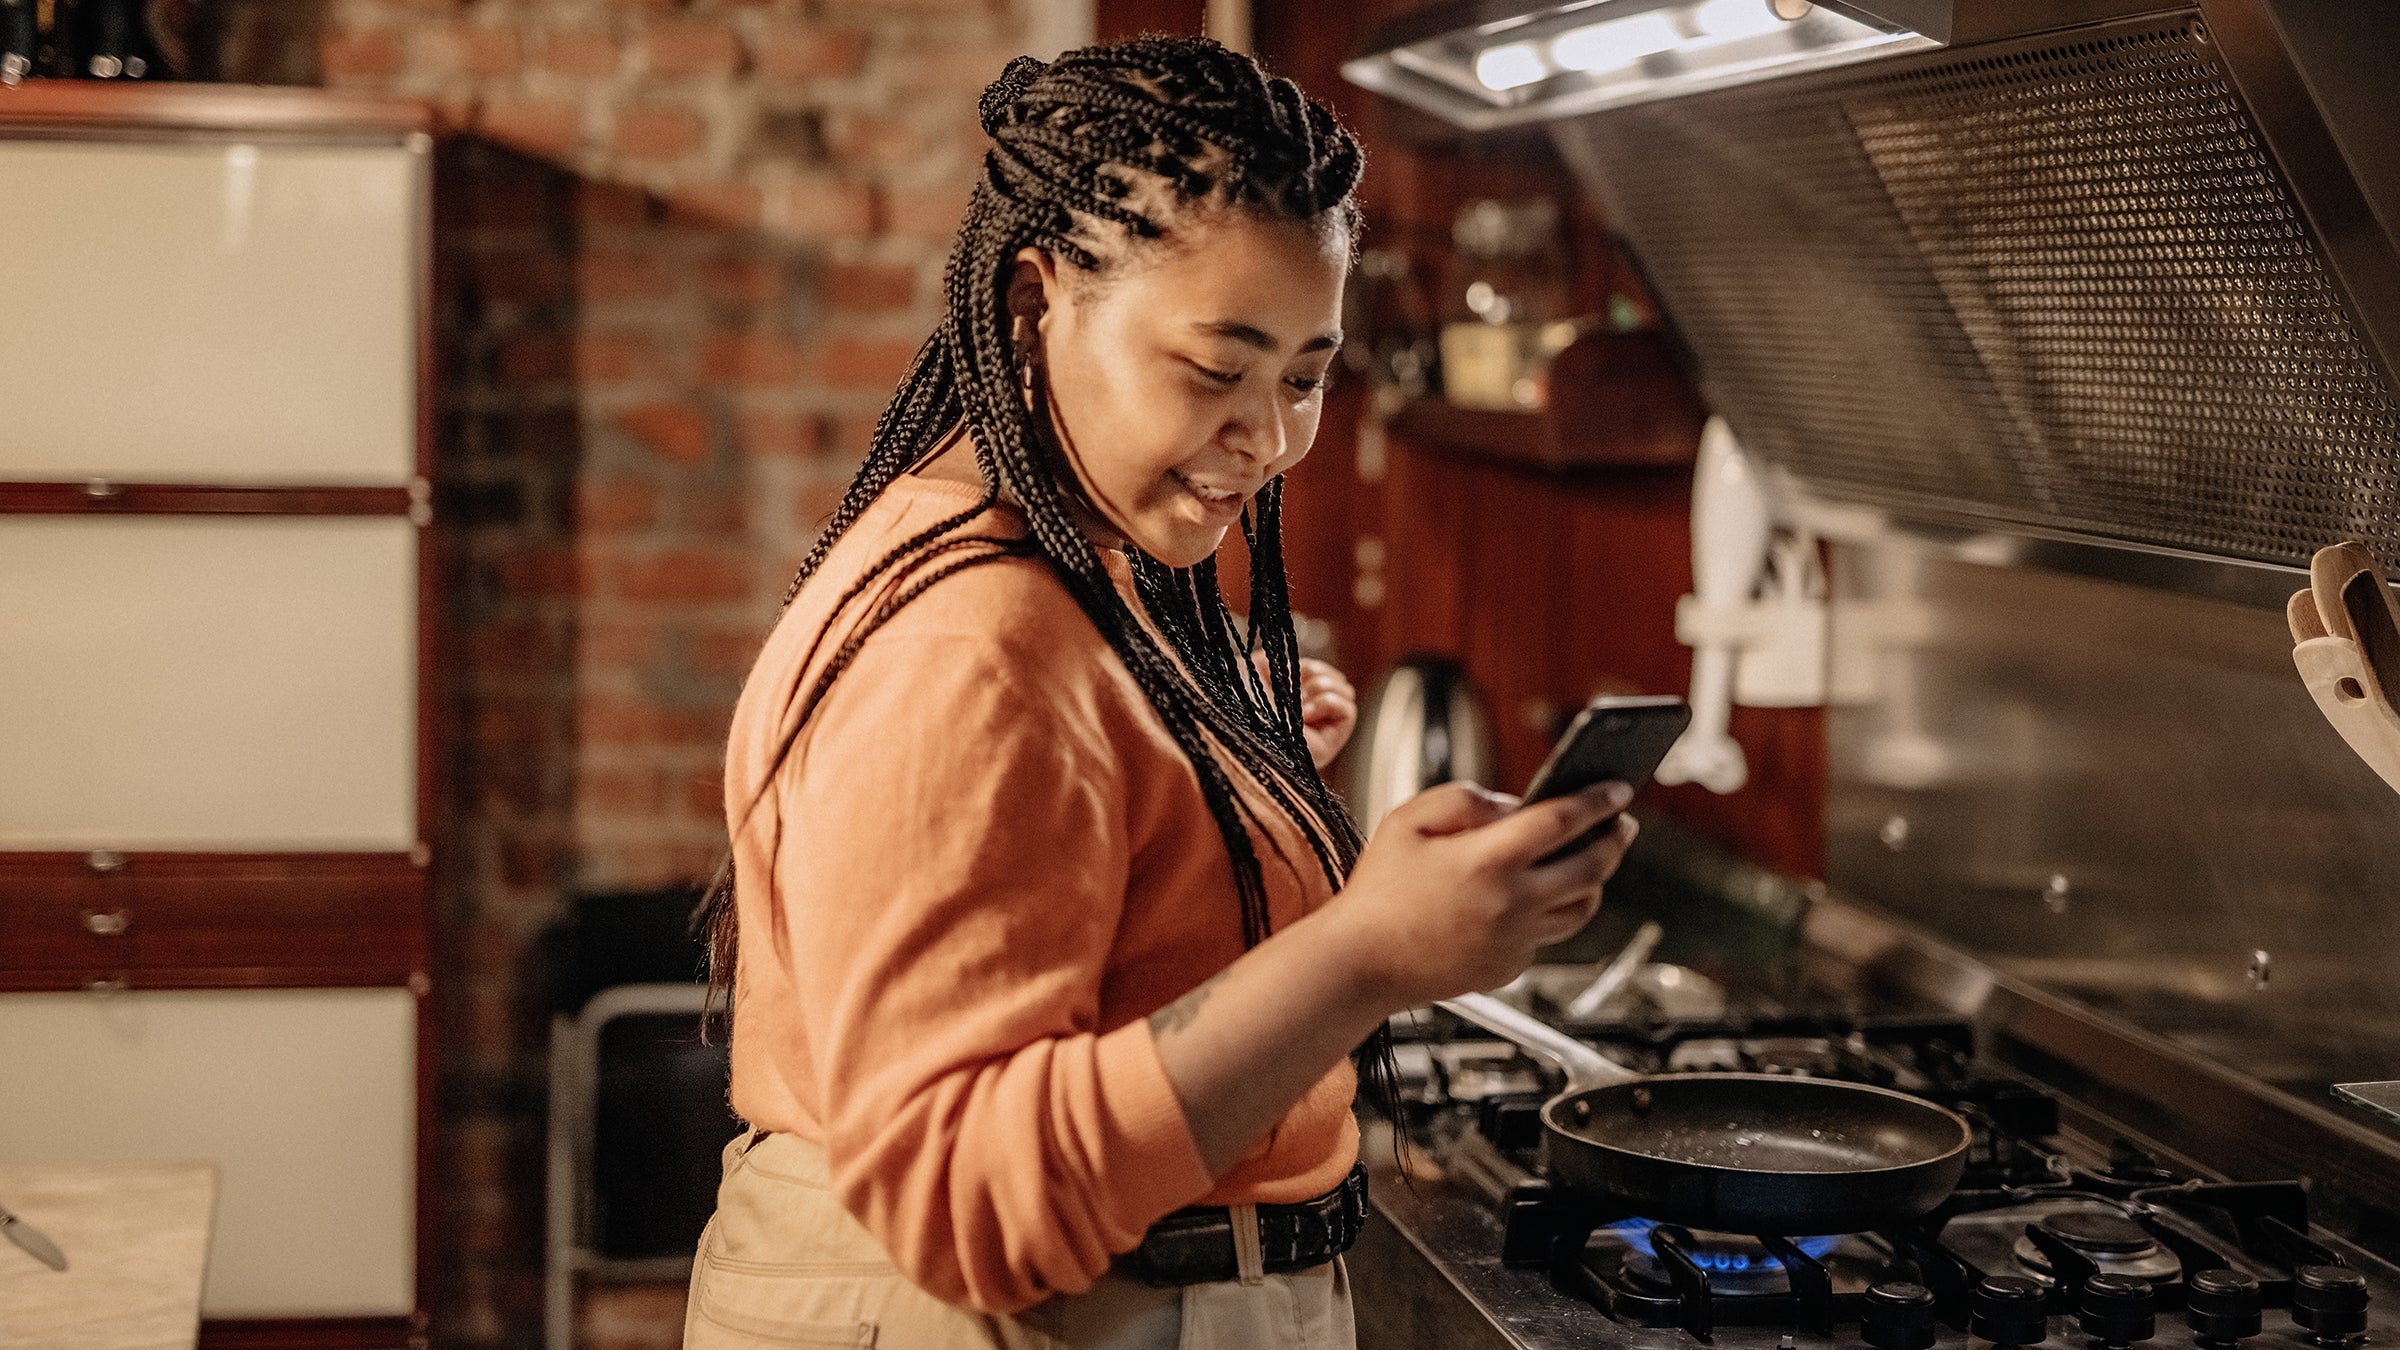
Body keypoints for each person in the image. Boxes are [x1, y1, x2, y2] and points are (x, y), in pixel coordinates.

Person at [685, 35, 1636, 1350]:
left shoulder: (1065, 557)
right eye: (1216, 367)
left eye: (1305, 376)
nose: (1271, 435)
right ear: (1035, 303)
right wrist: (1366, 952)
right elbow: (972, 1208)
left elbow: (1063, 863)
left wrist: (1201, 775)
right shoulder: (967, 643)